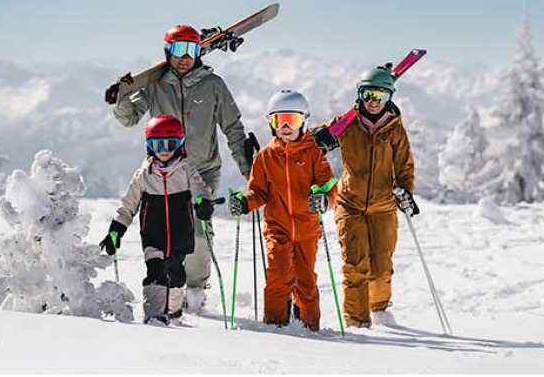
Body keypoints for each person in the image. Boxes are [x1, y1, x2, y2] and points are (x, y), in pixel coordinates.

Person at [112, 24, 251, 309]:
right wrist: (122, 95)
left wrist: (248, 166)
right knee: (165, 232)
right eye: (178, 50)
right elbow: (128, 118)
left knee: (198, 230)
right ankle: (166, 289)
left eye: (191, 49)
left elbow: (233, 127)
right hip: (165, 171)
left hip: (203, 170)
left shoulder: (214, 85)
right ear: (168, 51)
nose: (184, 57)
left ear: (200, 52)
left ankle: (196, 291)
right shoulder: (155, 85)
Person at [316, 65, 419, 328]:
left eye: (381, 96)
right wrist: (324, 137)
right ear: (360, 95)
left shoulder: (395, 128)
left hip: (384, 207)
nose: (374, 102)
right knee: (355, 265)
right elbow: (312, 144)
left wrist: (406, 193)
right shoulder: (348, 124)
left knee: (381, 269)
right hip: (349, 203)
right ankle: (357, 322)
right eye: (369, 95)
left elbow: (405, 165)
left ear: (389, 99)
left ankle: (380, 310)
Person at [228, 89, 337, 331]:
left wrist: (324, 199)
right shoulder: (266, 156)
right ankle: (275, 325)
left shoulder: (313, 153)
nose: (286, 126)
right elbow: (258, 191)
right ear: (271, 123)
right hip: (277, 226)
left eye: (293, 120)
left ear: (303, 121)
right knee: (278, 274)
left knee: (305, 280)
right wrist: (245, 202)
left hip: (307, 228)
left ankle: (309, 326)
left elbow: (330, 185)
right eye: (280, 120)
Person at [100, 114, 216, 324]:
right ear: (149, 145)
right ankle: (155, 317)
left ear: (179, 143)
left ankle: (173, 311)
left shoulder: (186, 169)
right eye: (157, 144)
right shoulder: (143, 175)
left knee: (176, 272)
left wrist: (202, 202)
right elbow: (128, 205)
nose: (163, 150)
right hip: (153, 235)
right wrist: (116, 230)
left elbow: (200, 189)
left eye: (169, 144)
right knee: (155, 272)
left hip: (181, 234)